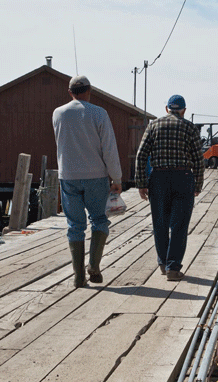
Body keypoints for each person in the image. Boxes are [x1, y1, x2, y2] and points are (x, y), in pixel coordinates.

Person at [53, 75, 122, 288]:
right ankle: (94, 266)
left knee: (75, 225)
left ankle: (78, 277)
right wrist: (116, 178)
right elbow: (109, 148)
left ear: (70, 91)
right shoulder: (99, 114)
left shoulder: (58, 113)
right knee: (99, 220)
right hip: (96, 176)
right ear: (89, 90)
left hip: (69, 176)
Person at [135, 94, 204, 281]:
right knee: (179, 225)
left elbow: (141, 155)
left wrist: (141, 183)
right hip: (183, 177)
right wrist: (197, 185)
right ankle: (174, 267)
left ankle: (163, 263)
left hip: (158, 178)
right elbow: (198, 159)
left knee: (160, 223)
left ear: (167, 109)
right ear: (184, 110)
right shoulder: (189, 127)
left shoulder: (153, 125)